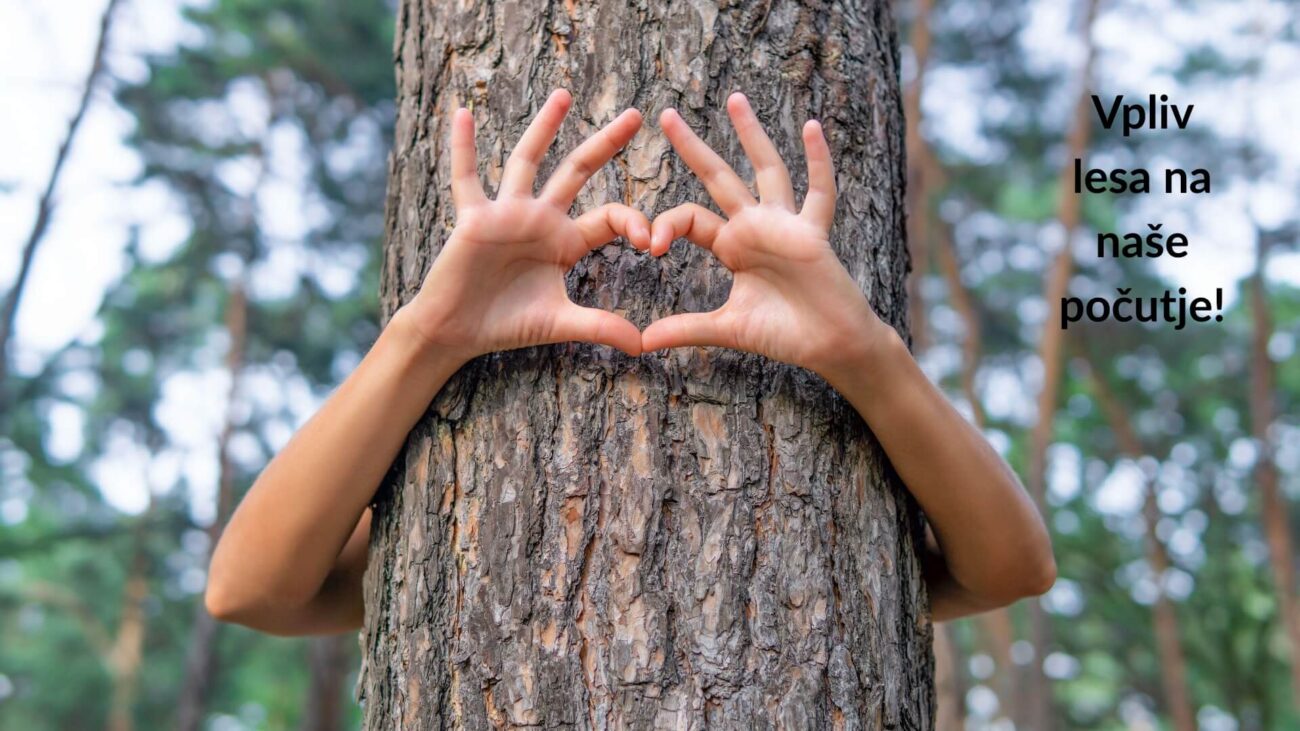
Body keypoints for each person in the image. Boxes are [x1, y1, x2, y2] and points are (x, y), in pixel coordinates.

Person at [204, 89, 1055, 636]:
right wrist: (431, 333)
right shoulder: (403, 531)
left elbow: (1013, 566)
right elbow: (247, 588)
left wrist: (863, 354)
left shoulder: (872, 519)